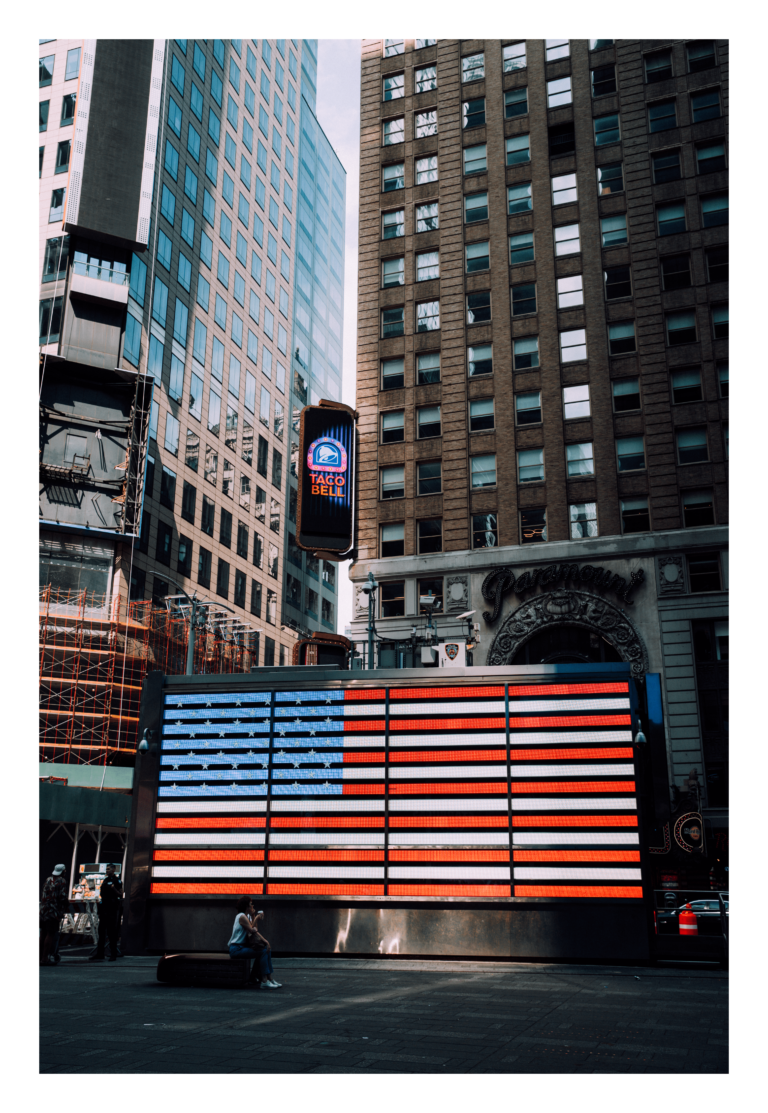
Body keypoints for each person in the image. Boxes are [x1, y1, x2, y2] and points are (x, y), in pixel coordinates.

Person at [228, 897, 281, 988]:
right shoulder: (241, 916)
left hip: (242, 947)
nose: (253, 906)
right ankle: (264, 981)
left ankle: (269, 978)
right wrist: (265, 941)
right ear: (246, 906)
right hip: (236, 949)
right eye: (251, 904)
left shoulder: (247, 916)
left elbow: (254, 930)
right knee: (264, 951)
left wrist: (253, 916)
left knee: (265, 950)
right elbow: (252, 931)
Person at [89, 864, 123, 961]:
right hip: (104, 909)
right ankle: (100, 954)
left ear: (114, 870)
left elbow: (120, 894)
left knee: (112, 933)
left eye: (109, 869)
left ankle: (113, 954)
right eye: (106, 869)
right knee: (101, 932)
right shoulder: (105, 880)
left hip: (112, 909)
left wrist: (113, 889)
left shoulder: (117, 881)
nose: (107, 870)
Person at [40, 864, 68, 967]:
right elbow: (62, 897)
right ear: (63, 871)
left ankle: (39, 957)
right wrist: (66, 903)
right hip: (53, 912)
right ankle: (44, 958)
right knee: (50, 934)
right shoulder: (62, 881)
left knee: (43, 933)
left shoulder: (48, 879)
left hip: (43, 910)